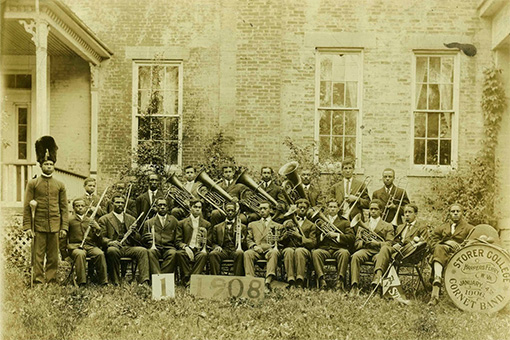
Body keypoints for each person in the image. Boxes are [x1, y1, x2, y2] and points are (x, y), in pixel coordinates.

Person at [23, 136, 68, 285]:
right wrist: (28, 227)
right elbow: (27, 206)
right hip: (39, 225)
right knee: (38, 255)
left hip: (55, 225)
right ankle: (38, 280)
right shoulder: (33, 183)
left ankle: (52, 280)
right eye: (46, 164)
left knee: (53, 256)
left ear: (54, 166)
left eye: (51, 164)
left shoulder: (60, 185)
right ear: (41, 165)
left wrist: (64, 227)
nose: (49, 166)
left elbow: (64, 208)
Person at [370, 203, 428, 294]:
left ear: (415, 214)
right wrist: (395, 245)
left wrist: (413, 242)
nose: (407, 214)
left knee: (382, 255)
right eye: (405, 212)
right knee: (385, 248)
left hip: (410, 253)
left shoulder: (421, 227)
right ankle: (379, 278)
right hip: (398, 252)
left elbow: (425, 244)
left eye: (410, 212)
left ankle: (379, 281)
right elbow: (394, 240)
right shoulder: (401, 226)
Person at [428, 203, 473, 306]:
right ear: (449, 214)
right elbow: (432, 242)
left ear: (462, 213)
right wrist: (447, 243)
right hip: (442, 254)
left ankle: (437, 279)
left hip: (458, 256)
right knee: (439, 248)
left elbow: (473, 241)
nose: (455, 213)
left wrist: (457, 245)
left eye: (458, 211)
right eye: (453, 211)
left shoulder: (468, 228)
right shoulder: (442, 228)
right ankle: (437, 280)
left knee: (439, 250)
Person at [99, 194, 150, 285]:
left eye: (122, 203)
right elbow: (101, 238)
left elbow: (138, 240)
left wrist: (134, 232)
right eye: (117, 202)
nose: (120, 205)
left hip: (128, 247)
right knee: (111, 251)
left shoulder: (131, 219)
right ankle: (115, 280)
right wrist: (111, 242)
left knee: (142, 250)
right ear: (112, 204)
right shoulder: (104, 219)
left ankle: (144, 280)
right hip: (115, 247)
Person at [349, 199, 394, 297]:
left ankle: (376, 287)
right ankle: (354, 286)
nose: (373, 211)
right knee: (355, 256)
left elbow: (390, 244)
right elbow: (356, 243)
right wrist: (363, 243)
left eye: (375, 209)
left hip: (379, 252)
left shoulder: (388, 225)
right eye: (371, 209)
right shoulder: (363, 225)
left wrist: (377, 243)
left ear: (381, 211)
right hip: (366, 250)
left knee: (379, 259)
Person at [311, 199, 354, 292]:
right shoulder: (320, 222)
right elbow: (315, 240)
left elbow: (351, 238)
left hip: (338, 249)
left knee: (345, 253)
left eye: (335, 207)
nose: (332, 209)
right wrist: (323, 235)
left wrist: (337, 235)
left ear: (338, 209)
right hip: (324, 249)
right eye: (330, 207)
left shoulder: (345, 222)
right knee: (315, 253)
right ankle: (322, 280)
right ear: (327, 208)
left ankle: (340, 281)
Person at [67, 198, 107, 286]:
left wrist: (97, 229)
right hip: (75, 246)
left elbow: (99, 240)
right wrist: (64, 253)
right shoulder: (69, 220)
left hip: (89, 246)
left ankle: (103, 281)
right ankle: (82, 282)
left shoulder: (90, 220)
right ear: (73, 208)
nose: (80, 208)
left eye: (82, 206)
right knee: (80, 254)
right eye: (77, 206)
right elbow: (63, 238)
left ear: (85, 208)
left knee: (100, 254)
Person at [244, 201, 282, 292]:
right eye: (260, 209)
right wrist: (254, 246)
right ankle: (250, 281)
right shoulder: (252, 224)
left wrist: (270, 247)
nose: (262, 211)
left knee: (274, 252)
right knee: (247, 253)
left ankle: (267, 282)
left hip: (269, 250)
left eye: (265, 208)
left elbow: (280, 241)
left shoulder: (278, 226)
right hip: (257, 250)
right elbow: (248, 239)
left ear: (271, 210)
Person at [279, 199, 317, 288]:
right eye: (300, 208)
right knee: (288, 251)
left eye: (304, 208)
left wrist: (299, 236)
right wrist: (285, 236)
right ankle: (291, 280)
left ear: (307, 210)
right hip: (290, 248)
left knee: (299, 251)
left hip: (304, 249)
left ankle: (300, 280)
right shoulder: (288, 223)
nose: (302, 210)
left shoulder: (311, 225)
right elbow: (280, 241)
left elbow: (313, 243)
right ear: (296, 209)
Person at [142, 198, 180, 276]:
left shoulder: (174, 221)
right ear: (156, 207)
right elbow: (143, 240)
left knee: (173, 253)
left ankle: (162, 276)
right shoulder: (149, 222)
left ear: (168, 207)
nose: (162, 207)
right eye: (160, 205)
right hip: (156, 248)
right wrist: (146, 239)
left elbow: (177, 237)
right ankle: (158, 277)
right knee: (150, 252)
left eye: (164, 205)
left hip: (169, 247)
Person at [176, 199, 211, 286]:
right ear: (190, 208)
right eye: (195, 207)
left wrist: (203, 242)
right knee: (179, 254)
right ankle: (187, 277)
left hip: (199, 250)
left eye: (199, 207)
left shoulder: (207, 224)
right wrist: (185, 247)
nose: (198, 209)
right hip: (187, 248)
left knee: (203, 255)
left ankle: (192, 280)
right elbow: (178, 240)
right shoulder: (182, 223)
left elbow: (209, 242)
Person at [209, 201, 247, 276]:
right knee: (213, 254)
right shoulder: (217, 227)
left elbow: (246, 245)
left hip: (235, 250)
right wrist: (216, 246)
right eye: (228, 210)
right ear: (224, 211)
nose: (230, 212)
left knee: (240, 253)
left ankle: (237, 278)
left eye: (232, 210)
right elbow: (213, 242)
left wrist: (242, 241)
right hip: (223, 250)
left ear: (236, 212)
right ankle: (215, 278)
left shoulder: (242, 227)